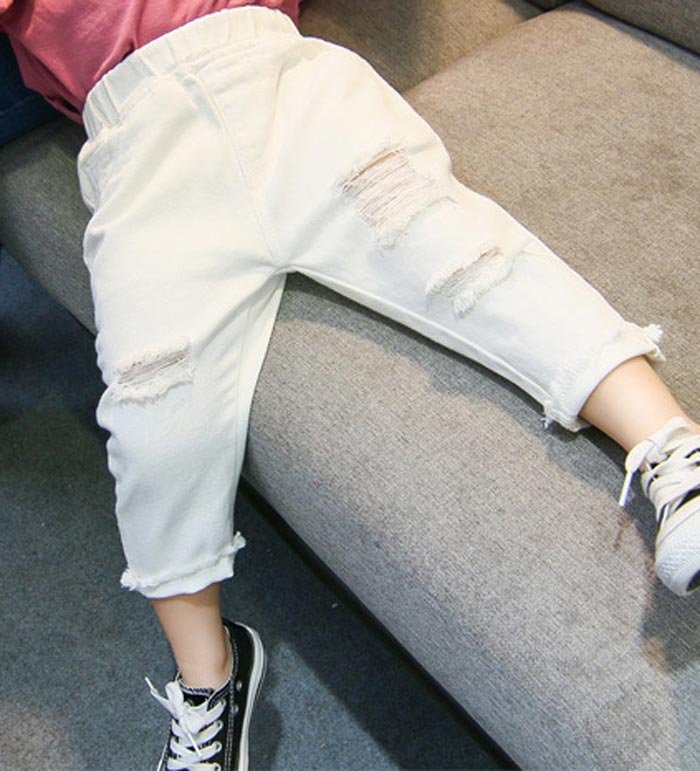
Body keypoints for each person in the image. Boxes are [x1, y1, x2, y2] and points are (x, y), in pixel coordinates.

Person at [2, 1, 700, 769]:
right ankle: (209, 680)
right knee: (151, 425)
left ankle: (673, 448)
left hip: (279, 80)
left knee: (464, 256)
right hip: (138, 148)